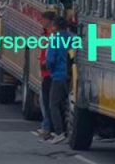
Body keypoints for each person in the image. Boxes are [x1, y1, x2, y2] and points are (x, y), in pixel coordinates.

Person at [45, 16, 73, 144]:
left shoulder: (55, 40)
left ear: (55, 27)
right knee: (67, 105)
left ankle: (59, 132)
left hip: (58, 76)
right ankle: (69, 131)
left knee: (53, 105)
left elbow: (51, 59)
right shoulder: (72, 38)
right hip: (71, 76)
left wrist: (48, 66)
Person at [33, 11, 57, 141]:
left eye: (43, 19)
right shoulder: (46, 34)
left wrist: (46, 64)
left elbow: (50, 53)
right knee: (45, 101)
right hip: (45, 72)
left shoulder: (51, 36)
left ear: (50, 20)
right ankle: (47, 127)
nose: (41, 21)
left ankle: (47, 128)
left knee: (47, 102)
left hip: (49, 73)